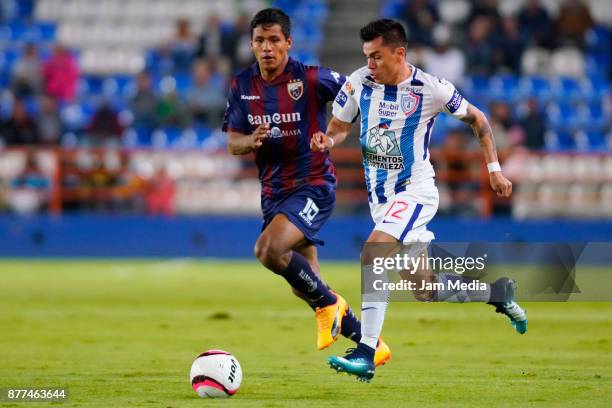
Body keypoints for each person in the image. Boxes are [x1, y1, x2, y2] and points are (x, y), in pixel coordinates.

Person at [311, 19, 527, 382]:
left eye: (377, 56)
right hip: (381, 201)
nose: (371, 64)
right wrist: (328, 141)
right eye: (367, 56)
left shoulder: (430, 88)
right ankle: (497, 292)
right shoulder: (359, 81)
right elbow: (340, 124)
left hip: (415, 191)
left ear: (399, 53)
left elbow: (478, 118)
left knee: (373, 253)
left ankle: (366, 351)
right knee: (425, 288)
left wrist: (494, 168)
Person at [222, 8, 391, 365]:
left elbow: (357, 95)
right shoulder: (242, 86)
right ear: (251, 45)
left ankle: (330, 304)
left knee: (268, 250)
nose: (266, 47)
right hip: (273, 193)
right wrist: (250, 140)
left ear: (288, 43)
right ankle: (370, 345)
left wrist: (332, 134)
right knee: (304, 282)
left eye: (273, 40)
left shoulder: (312, 79)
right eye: (259, 41)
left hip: (312, 184)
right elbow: (233, 141)